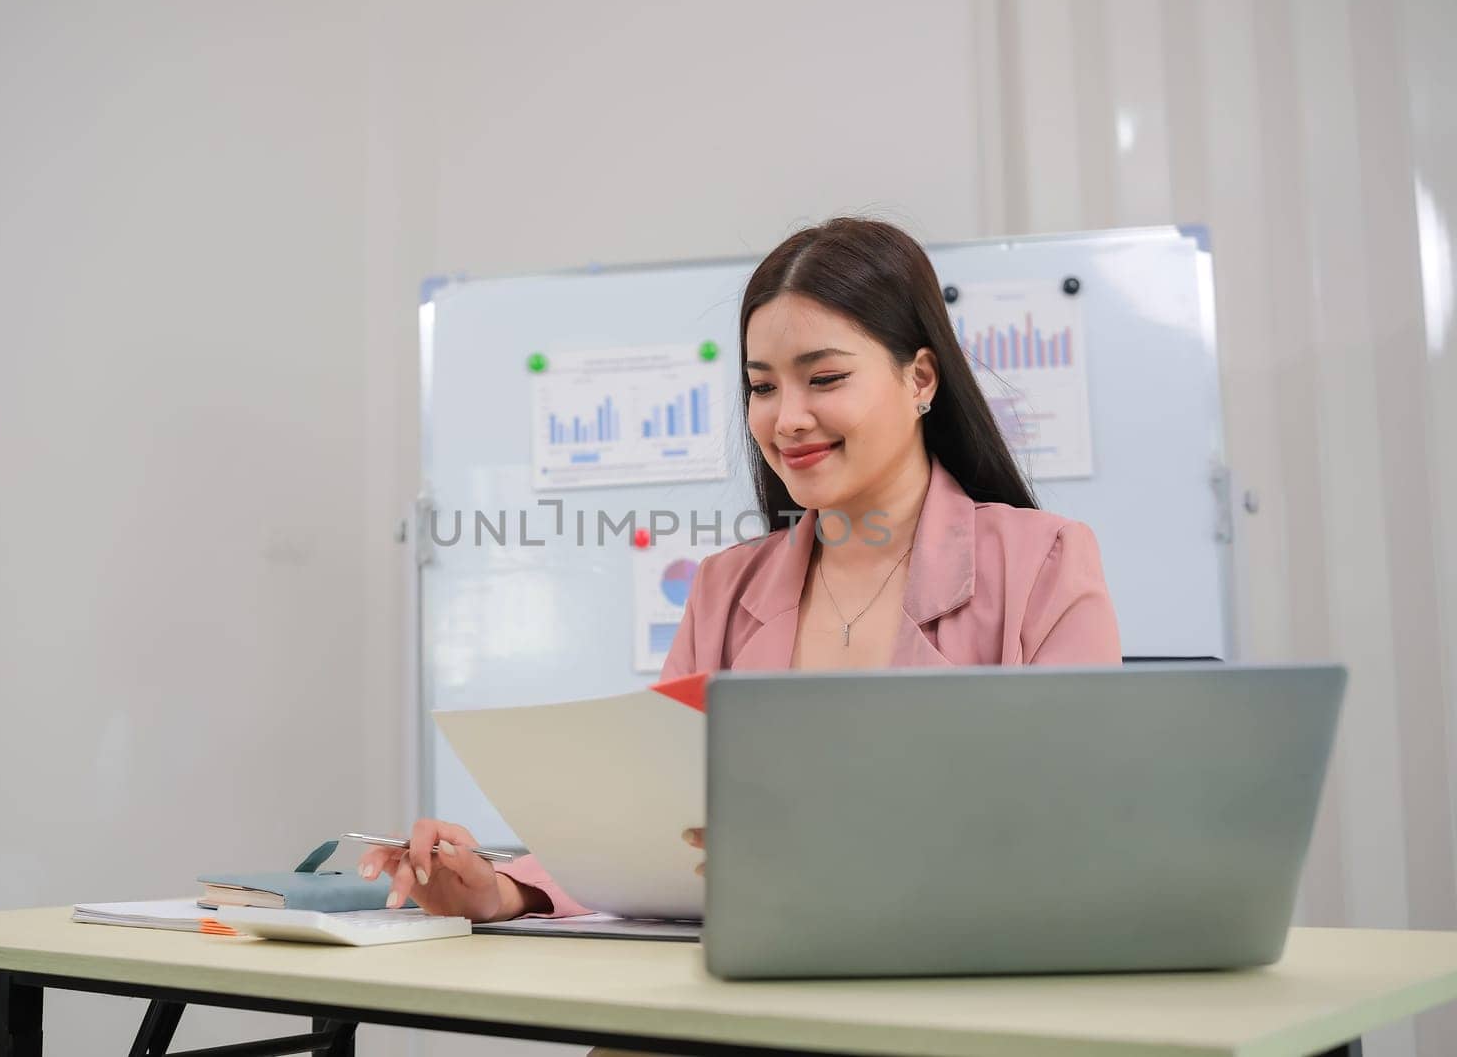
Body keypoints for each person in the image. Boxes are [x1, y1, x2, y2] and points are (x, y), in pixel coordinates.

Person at [359, 217, 1122, 921]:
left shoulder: (1041, 562)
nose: (785, 418)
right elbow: (650, 822)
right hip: (747, 989)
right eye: (761, 386)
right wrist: (501, 888)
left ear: (920, 379)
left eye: (824, 379)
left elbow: (1084, 828)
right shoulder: (727, 590)